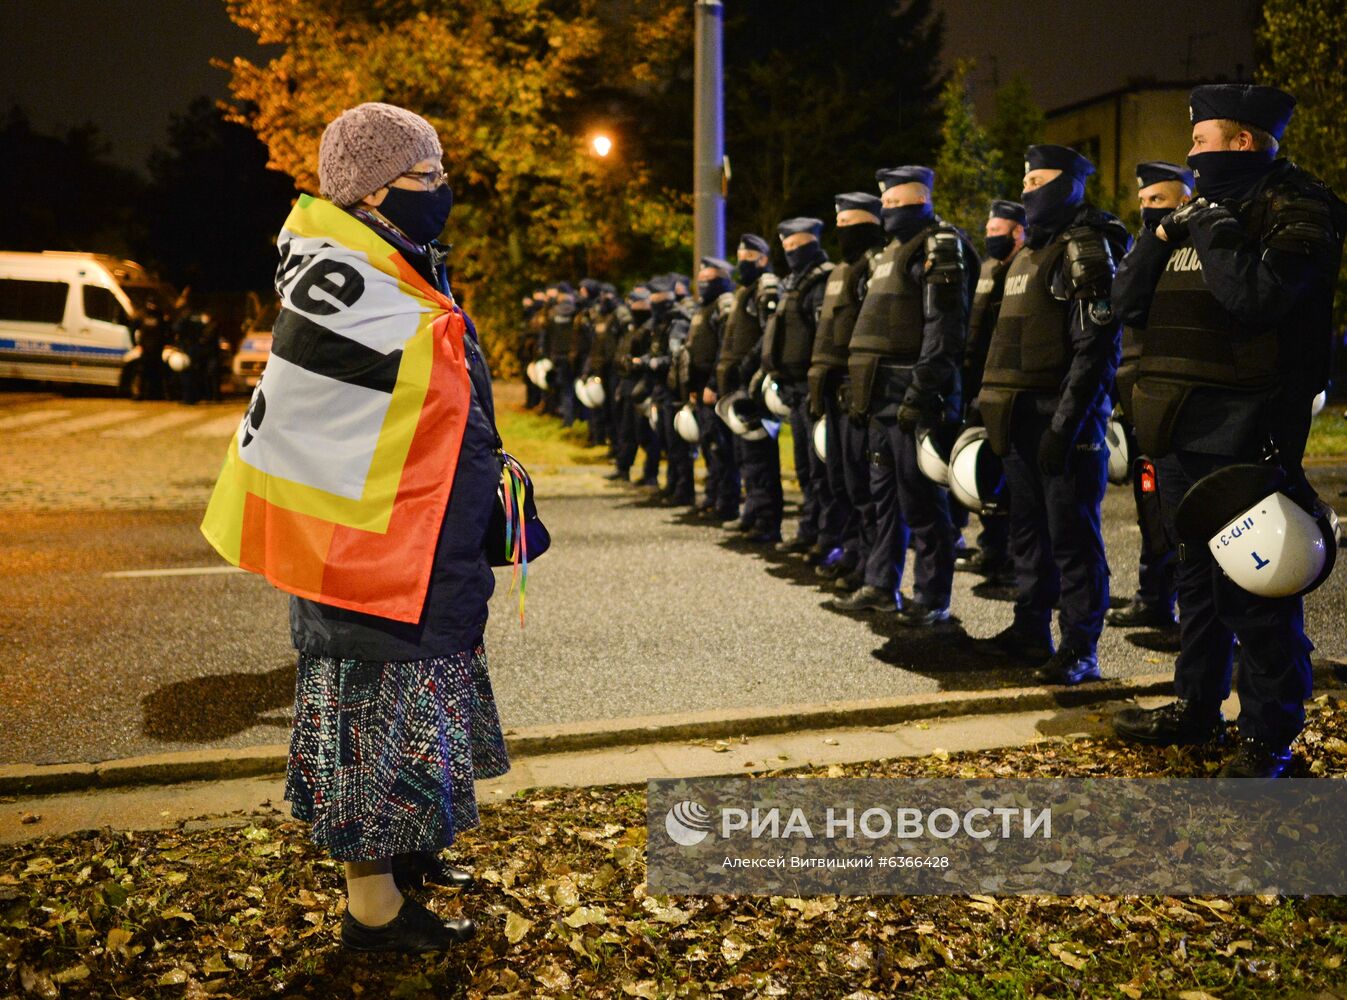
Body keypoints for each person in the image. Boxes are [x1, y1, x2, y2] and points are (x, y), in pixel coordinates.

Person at [212, 102, 512, 952]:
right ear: (375, 190)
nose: (442, 191)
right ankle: (372, 909)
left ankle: (411, 850)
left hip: (419, 548)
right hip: (373, 562)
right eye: (427, 178)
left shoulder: (392, 267)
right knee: (375, 722)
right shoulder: (358, 289)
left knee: (417, 708)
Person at [1112, 84, 1347, 777]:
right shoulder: (1193, 215)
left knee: (1252, 592)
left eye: (1200, 139)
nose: (1189, 153)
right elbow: (1122, 305)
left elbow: (1257, 298)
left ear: (1242, 141)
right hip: (1178, 425)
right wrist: (1159, 236)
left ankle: (1268, 739)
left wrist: (1209, 229)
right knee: (1194, 583)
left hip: (1246, 430)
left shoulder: (1293, 204)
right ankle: (1195, 707)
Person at [971, 144, 1131, 683]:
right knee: (1028, 537)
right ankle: (1030, 629)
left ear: (1066, 184)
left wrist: (1066, 427)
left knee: (1072, 539)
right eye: (1026, 179)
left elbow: (1096, 351)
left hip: (1062, 420)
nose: (1026, 190)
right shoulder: (1027, 254)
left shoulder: (1084, 249)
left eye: (1038, 179)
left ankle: (1080, 648)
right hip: (1018, 420)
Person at [833, 166, 975, 626]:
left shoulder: (939, 246)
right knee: (883, 498)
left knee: (923, 502)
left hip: (915, 400)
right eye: (885, 204)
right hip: (880, 400)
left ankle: (932, 596)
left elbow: (944, 332)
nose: (889, 211)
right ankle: (881, 584)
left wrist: (921, 392)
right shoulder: (888, 254)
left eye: (897, 203)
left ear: (920, 199)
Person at [1104, 161, 1191, 640]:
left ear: (1184, 199)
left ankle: (1188, 609)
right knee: (1149, 506)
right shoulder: (1147, 246)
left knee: (1180, 516)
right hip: (1139, 399)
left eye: (1157, 201)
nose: (1147, 210)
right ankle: (1154, 596)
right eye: (1143, 202)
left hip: (1174, 399)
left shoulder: (1192, 248)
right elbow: (1125, 303)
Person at [809, 192, 887, 585]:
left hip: (861, 389)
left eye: (850, 224)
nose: (842, 232)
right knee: (841, 481)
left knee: (863, 485)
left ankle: (870, 565)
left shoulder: (875, 266)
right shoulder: (840, 271)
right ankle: (854, 551)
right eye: (838, 224)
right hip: (835, 390)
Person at [955, 200, 1024, 589]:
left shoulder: (1020, 269)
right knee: (985, 472)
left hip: (1005, 387)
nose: (991, 236)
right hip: (979, 384)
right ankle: (992, 547)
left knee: (1011, 478)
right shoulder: (985, 269)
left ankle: (1013, 557)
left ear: (1017, 232)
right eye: (989, 229)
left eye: (998, 230)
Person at [761, 217, 834, 556]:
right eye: (786, 246)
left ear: (813, 243)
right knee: (805, 469)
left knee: (821, 471)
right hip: (793, 388)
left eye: (796, 246)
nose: (790, 252)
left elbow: (822, 336)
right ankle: (810, 529)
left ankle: (826, 536)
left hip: (812, 388)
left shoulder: (821, 280)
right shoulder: (794, 281)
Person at [716, 234, 783, 542]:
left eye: (749, 256)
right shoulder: (745, 290)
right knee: (746, 456)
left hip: (755, 383)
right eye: (740, 254)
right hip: (738, 383)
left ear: (762, 258)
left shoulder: (766, 287)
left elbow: (769, 333)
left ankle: (767, 521)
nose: (742, 260)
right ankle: (753, 512)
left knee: (760, 456)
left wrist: (750, 366)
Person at [686, 256, 740, 520]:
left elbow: (723, 350)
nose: (704, 284)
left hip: (714, 389)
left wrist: (712, 385)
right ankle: (712, 495)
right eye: (701, 279)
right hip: (700, 389)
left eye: (710, 279)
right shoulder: (702, 308)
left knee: (721, 448)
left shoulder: (723, 305)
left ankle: (725, 501)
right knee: (708, 446)